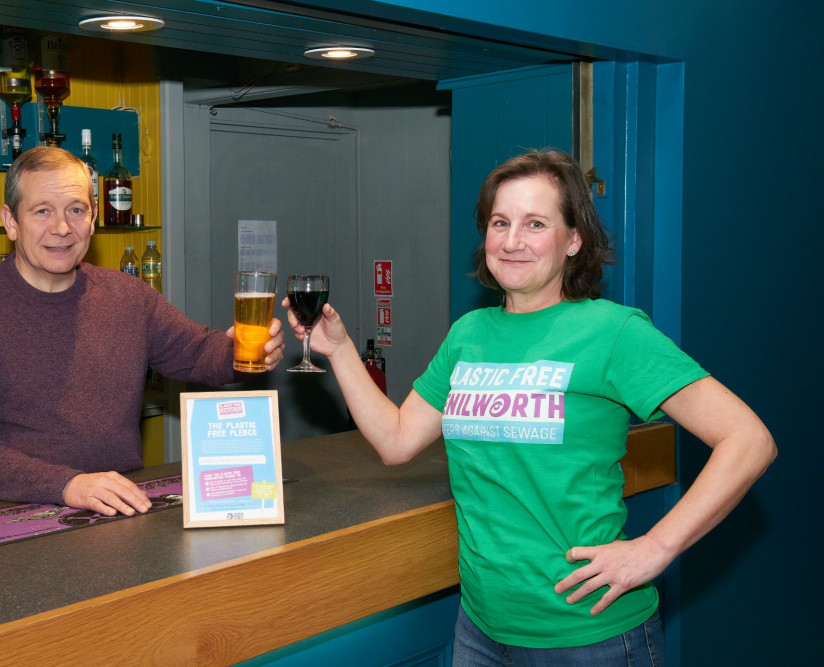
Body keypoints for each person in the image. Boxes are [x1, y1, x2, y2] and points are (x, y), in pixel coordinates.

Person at [284, 149, 775, 665]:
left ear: (573, 240)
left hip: (589, 635)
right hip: (480, 628)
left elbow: (748, 440)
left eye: (535, 223)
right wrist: (338, 349)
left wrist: (656, 547)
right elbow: (396, 440)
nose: (512, 241)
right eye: (500, 223)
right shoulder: (469, 334)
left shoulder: (612, 331)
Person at [0, 146, 285, 518]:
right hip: (15, 519)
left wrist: (247, 352)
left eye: (76, 210)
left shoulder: (128, 297)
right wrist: (67, 485)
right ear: (11, 221)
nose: (62, 228)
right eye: (42, 211)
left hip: (117, 511)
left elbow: (198, 353)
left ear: (94, 217)